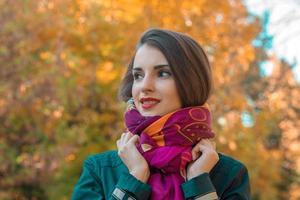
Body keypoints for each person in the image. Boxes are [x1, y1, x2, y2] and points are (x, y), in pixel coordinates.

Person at [72, 28, 251, 200]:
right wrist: (133, 179)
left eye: (163, 73)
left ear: (191, 83)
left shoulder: (229, 175)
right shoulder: (99, 170)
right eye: (138, 75)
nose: (145, 86)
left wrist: (199, 184)